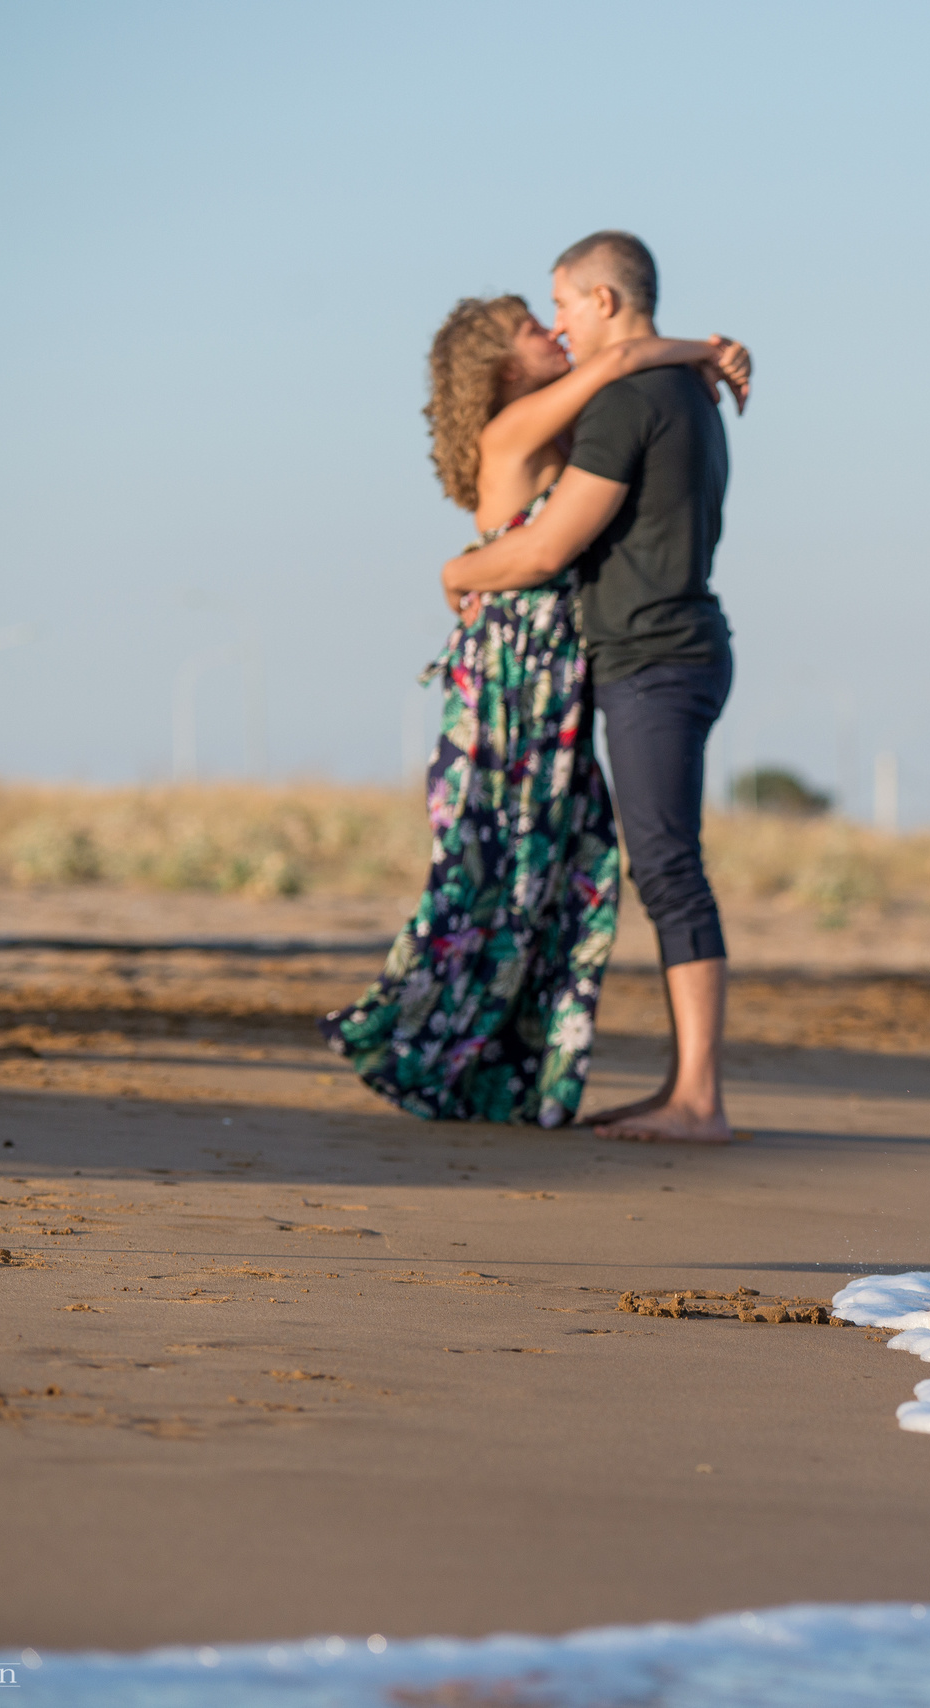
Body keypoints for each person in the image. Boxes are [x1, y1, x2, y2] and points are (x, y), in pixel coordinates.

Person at [320, 294, 749, 1126]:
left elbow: (626, 391)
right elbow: (620, 358)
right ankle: (403, 1040)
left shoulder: (568, 426)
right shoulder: (511, 432)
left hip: (557, 674)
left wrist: (704, 359)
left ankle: (505, 1072)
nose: (553, 331)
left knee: (550, 873)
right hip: (512, 674)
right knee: (495, 861)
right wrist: (710, 347)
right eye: (531, 327)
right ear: (502, 365)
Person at [438, 232, 739, 1144]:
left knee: (666, 868)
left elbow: (548, 548)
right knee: (621, 866)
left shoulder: (628, 399)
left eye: (563, 305)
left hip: (652, 658)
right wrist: (709, 349)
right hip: (662, 651)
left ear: (603, 300)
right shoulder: (677, 388)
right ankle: (677, 1088)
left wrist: (456, 571)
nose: (560, 325)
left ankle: (698, 1101)